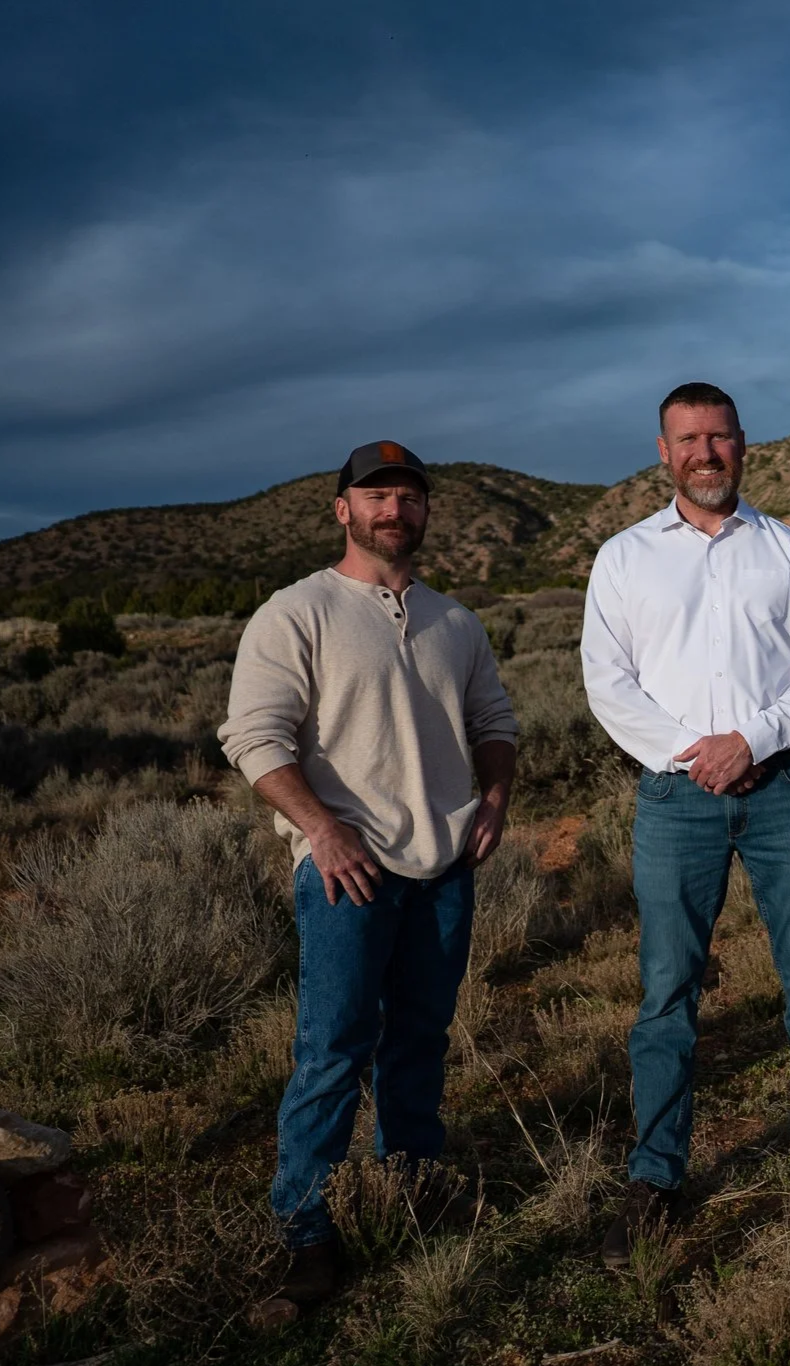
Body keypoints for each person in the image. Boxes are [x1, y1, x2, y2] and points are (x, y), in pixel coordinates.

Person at [582, 380, 790, 1266]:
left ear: (742, 445)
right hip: (676, 800)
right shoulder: (624, 559)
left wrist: (749, 739)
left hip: (785, 788)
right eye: (687, 439)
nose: (704, 453)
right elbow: (608, 684)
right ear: (662, 451)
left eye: (718, 437)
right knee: (667, 991)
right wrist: (694, 753)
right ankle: (656, 1175)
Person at [219, 441, 518, 1315]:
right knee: (332, 1052)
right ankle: (305, 1232)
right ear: (341, 510)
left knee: (420, 1039)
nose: (395, 509)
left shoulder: (455, 621)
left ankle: (411, 1190)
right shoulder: (296, 612)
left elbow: (492, 717)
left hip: (445, 865)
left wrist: (493, 796)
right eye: (376, 495)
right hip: (347, 872)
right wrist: (321, 830)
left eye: (410, 496)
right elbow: (252, 737)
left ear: (425, 514)